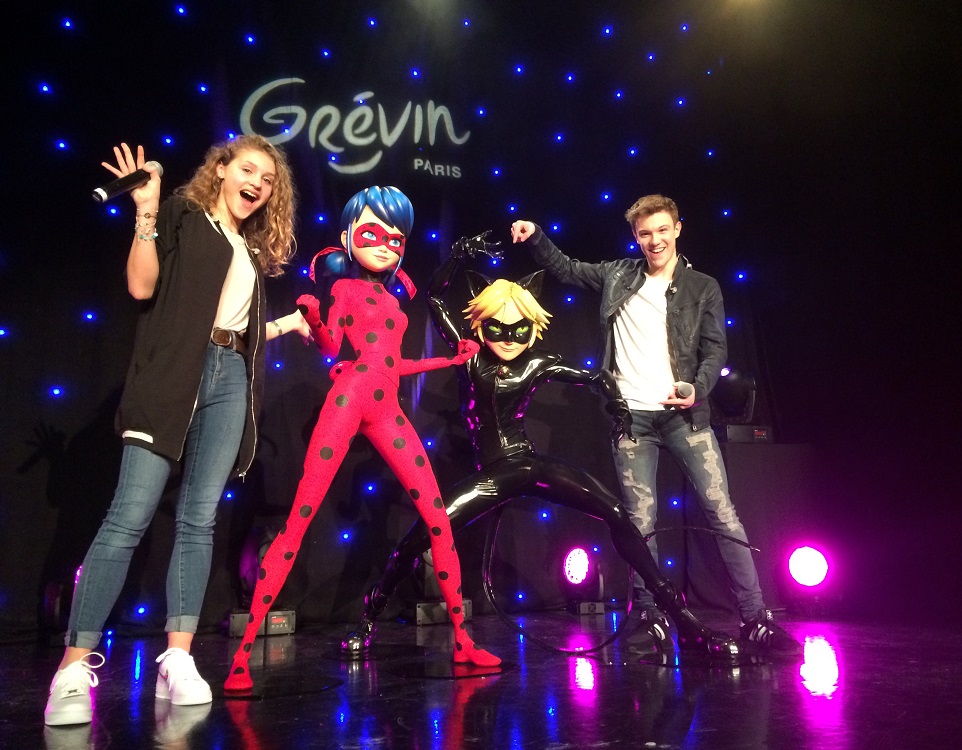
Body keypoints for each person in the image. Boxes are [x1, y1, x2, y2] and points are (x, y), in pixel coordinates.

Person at [340, 232, 740, 662]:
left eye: (519, 329)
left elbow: (595, 377)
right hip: (494, 475)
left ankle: (683, 621)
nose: (509, 337)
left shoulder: (536, 362)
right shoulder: (470, 356)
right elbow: (435, 298)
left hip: (528, 464)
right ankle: (369, 619)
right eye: (498, 327)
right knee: (424, 533)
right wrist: (456, 257)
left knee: (616, 512)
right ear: (481, 323)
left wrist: (618, 405)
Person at [45, 136, 309, 727]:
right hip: (170, 376)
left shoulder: (247, 249)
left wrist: (287, 324)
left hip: (229, 376)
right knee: (128, 517)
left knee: (198, 520)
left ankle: (178, 659)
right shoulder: (183, 216)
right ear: (221, 170)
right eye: (248, 170)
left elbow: (236, 329)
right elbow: (142, 288)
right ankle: (72, 666)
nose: (257, 184)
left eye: (268, 179)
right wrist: (145, 211)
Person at [223, 186, 500, 695]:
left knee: (438, 518)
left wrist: (450, 359)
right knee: (300, 517)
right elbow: (332, 346)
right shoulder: (346, 290)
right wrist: (311, 317)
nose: (386, 244)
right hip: (348, 399)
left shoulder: (394, 300)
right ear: (348, 236)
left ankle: (463, 640)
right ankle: (241, 658)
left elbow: (395, 364)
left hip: (387, 408)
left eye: (396, 239)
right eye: (373, 233)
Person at [511, 196, 802, 658]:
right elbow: (565, 268)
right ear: (636, 236)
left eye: (662, 230)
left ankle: (755, 620)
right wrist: (537, 237)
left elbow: (715, 350)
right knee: (640, 523)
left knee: (722, 514)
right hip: (632, 420)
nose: (655, 240)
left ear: (677, 229)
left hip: (686, 418)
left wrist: (697, 388)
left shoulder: (703, 287)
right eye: (645, 233)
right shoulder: (617, 275)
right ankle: (651, 618)